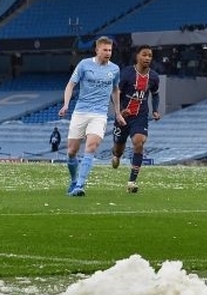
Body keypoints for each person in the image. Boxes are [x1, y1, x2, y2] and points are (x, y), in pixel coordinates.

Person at [59, 36, 121, 197]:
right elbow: (71, 84)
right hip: (80, 112)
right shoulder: (84, 65)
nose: (108, 53)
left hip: (99, 114)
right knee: (72, 152)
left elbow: (115, 90)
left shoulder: (114, 69)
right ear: (97, 49)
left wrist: (118, 112)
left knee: (91, 147)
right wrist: (66, 104)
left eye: (110, 50)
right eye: (105, 50)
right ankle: (74, 180)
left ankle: (80, 185)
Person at [109, 44, 160, 193]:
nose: (147, 58)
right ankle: (116, 155)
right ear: (137, 56)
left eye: (150, 55)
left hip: (140, 116)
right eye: (144, 55)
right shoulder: (126, 74)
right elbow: (115, 94)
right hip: (123, 117)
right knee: (119, 148)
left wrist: (155, 110)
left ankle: (132, 182)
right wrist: (119, 111)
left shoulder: (154, 77)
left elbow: (155, 94)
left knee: (139, 143)